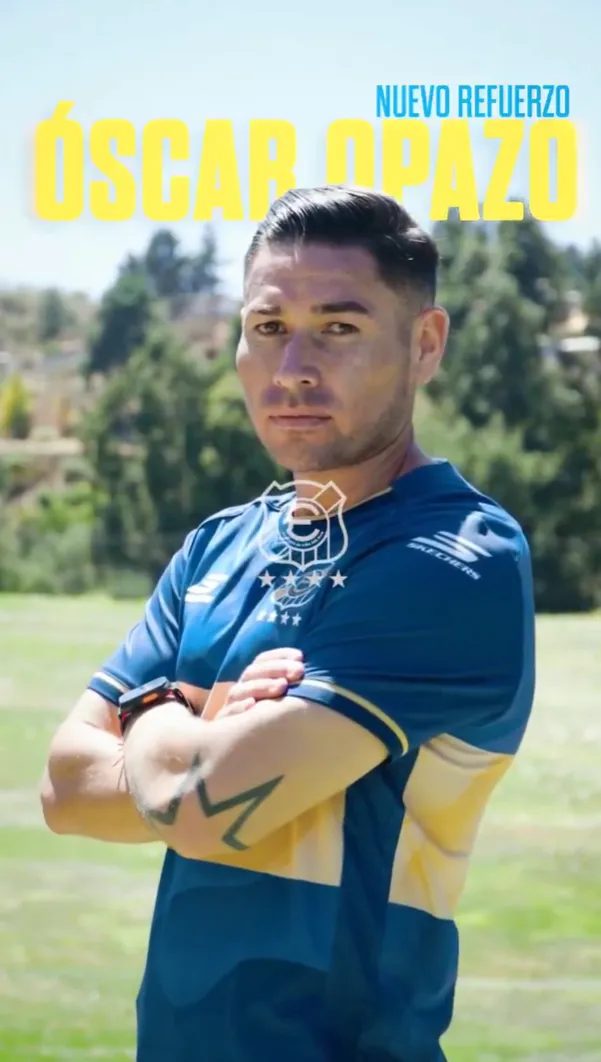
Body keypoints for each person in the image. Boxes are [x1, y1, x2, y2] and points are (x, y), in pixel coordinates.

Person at [40, 185, 536, 1062]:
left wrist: (158, 707)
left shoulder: (454, 558)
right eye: (267, 327)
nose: (292, 368)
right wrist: (203, 734)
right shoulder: (219, 544)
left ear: (424, 344)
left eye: (338, 328)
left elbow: (201, 807)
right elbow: (65, 790)